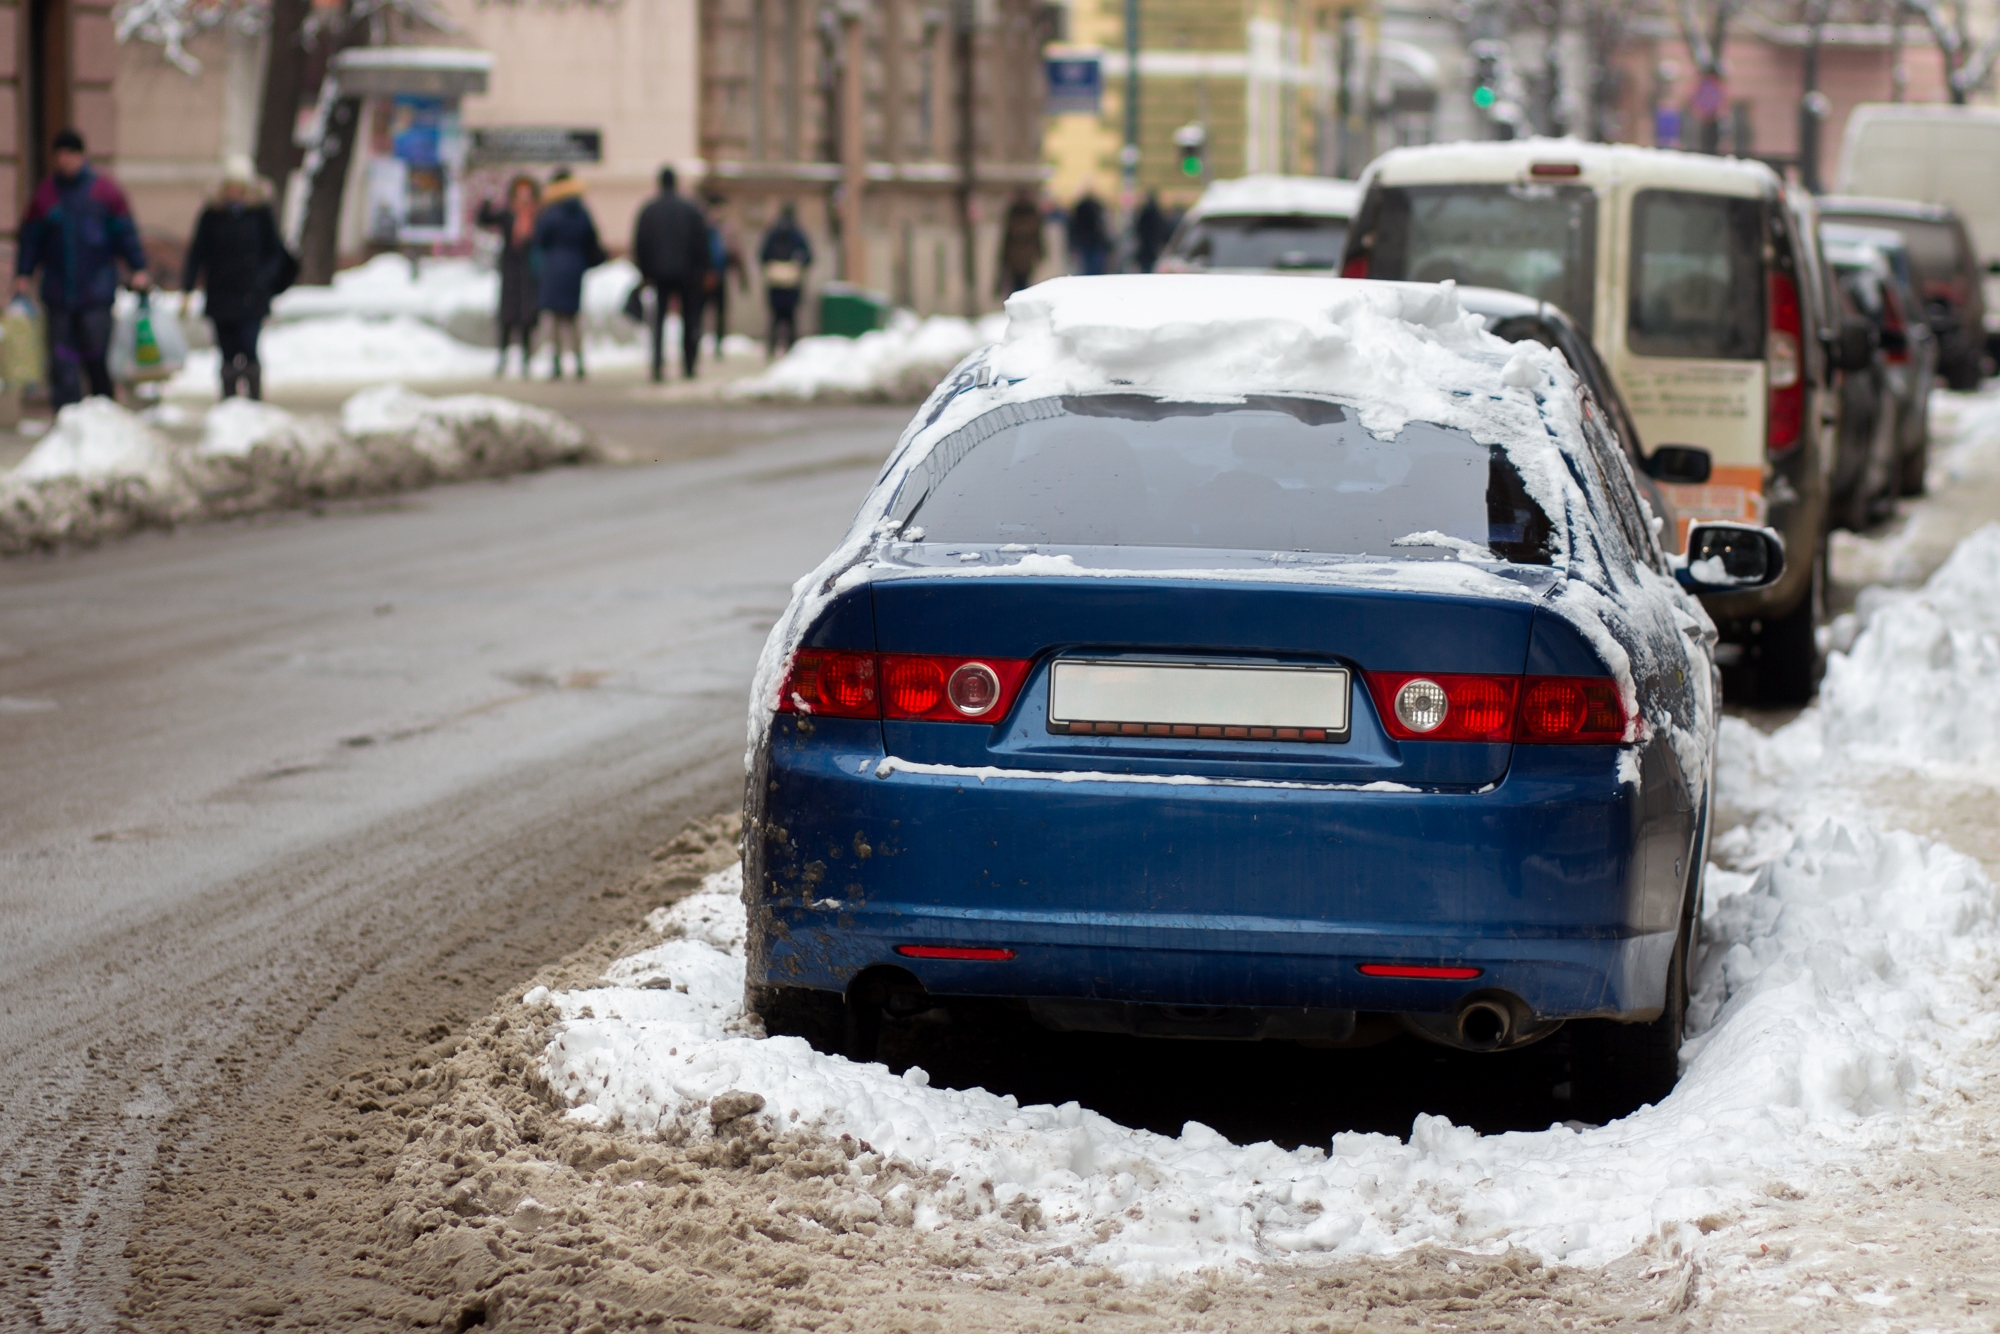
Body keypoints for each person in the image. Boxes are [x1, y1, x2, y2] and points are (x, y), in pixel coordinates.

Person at [14, 128, 150, 409]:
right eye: (60, 155)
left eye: (70, 154)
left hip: (96, 290)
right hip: (58, 291)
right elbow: (30, 239)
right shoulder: (46, 195)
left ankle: (103, 413)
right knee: (62, 361)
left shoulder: (104, 191)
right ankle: (66, 418)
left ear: (81, 156)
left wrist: (138, 267)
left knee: (96, 357)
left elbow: (125, 233)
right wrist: (23, 273)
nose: (64, 160)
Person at [180, 156, 290, 400]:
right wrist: (187, 288)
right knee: (227, 351)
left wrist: (265, 281)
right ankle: (229, 402)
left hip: (252, 295)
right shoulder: (212, 215)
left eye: (239, 187)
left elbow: (274, 253)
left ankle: (253, 401)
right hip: (221, 294)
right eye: (230, 186)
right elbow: (197, 253)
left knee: (249, 348)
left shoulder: (260, 215)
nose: (234, 192)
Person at [631, 168, 711, 381]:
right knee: (690, 319)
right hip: (688, 274)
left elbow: (641, 243)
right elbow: (701, 242)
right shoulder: (691, 209)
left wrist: (644, 272)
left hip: (659, 273)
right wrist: (705, 270)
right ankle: (689, 364)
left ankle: (657, 364)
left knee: (659, 320)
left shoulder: (649, 210)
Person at [531, 168, 604, 379]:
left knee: (553, 317)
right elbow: (592, 240)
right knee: (573, 317)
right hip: (575, 268)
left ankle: (556, 362)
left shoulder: (549, 213)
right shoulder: (582, 212)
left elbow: (538, 242)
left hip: (553, 268)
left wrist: (539, 268)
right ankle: (579, 361)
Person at [476, 175, 541, 377]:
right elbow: (484, 220)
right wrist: (487, 201)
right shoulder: (507, 214)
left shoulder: (537, 215)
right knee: (507, 318)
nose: (523, 197)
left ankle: (526, 361)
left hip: (529, 272)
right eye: (520, 193)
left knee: (526, 319)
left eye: (527, 193)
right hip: (511, 271)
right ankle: (502, 359)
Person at [758, 204, 812, 359]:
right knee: (791, 318)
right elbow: (808, 257)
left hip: (774, 282)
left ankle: (772, 349)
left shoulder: (773, 233)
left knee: (774, 319)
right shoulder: (797, 234)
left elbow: (762, 255)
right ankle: (791, 350)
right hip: (792, 283)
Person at [703, 194, 747, 357]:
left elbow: (736, 253)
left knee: (720, 311)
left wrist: (742, 278)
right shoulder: (704, 227)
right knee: (704, 310)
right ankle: (700, 340)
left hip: (720, 275)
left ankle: (718, 343)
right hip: (705, 276)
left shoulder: (727, 229)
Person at [996, 191, 1044, 298]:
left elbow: (1007, 237)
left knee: (1016, 284)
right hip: (1027, 254)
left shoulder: (1013, 213)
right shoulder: (1032, 214)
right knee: (1024, 282)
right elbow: (1038, 236)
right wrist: (1041, 253)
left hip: (1015, 255)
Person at [1067, 186, 1110, 275]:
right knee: (1096, 269)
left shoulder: (1080, 208)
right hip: (1094, 243)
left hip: (1086, 242)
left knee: (1087, 269)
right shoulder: (1097, 207)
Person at [1134, 191, 1171, 273]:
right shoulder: (1157, 215)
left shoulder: (1145, 215)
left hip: (1146, 248)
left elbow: (1138, 230)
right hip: (1152, 248)